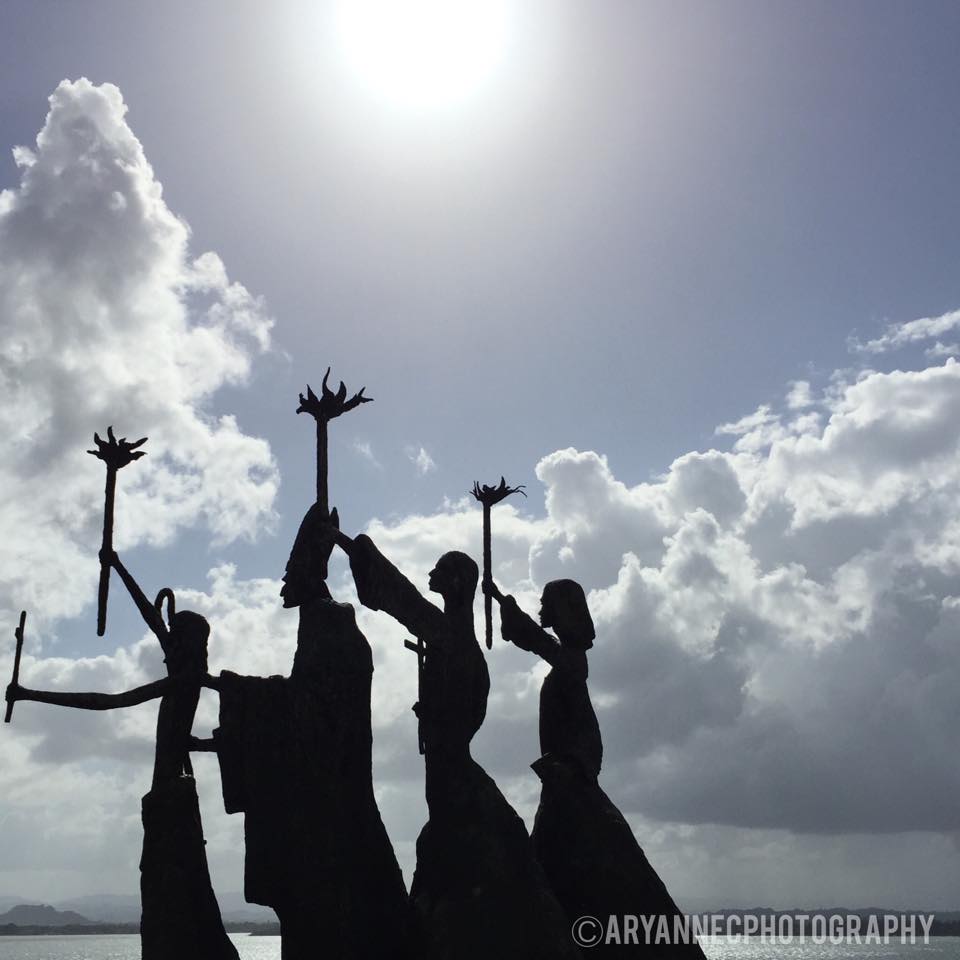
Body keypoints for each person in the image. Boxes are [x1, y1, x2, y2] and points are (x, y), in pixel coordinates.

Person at [328, 526, 580, 960]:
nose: (432, 575)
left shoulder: (449, 637)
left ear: (459, 583)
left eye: (441, 571)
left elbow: (402, 599)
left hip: (449, 761)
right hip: (447, 756)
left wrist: (355, 547)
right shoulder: (452, 637)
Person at [203, 504, 414, 960]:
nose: (285, 580)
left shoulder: (329, 622)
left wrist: (241, 692)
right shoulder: (321, 622)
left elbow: (314, 703)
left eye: (292, 569)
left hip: (328, 801)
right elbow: (304, 695)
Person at [6, 550, 238, 960]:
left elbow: (109, 701)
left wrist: (32, 694)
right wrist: (116, 564)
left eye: (174, 640)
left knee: (174, 893)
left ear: (186, 645)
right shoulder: (183, 671)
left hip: (170, 797)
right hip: (167, 794)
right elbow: (153, 618)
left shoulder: (185, 680)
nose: (166, 645)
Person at [487, 578, 707, 959]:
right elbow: (541, 643)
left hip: (568, 778)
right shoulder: (567, 660)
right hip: (563, 778)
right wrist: (506, 606)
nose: (543, 607)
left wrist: (509, 609)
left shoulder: (571, 663)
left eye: (548, 602)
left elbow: (543, 648)